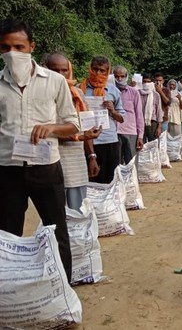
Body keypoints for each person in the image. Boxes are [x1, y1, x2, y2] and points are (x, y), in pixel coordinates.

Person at [0, 19, 79, 281]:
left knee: (56, 230)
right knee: (7, 234)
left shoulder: (54, 81)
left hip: (45, 168)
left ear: (31, 47)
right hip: (7, 170)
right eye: (6, 47)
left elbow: (73, 125)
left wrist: (52, 127)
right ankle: (10, 291)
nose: (13, 53)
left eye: (19, 47)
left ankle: (63, 289)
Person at [45, 52, 102, 209]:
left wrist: (91, 156)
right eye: (55, 71)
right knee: (55, 210)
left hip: (76, 160)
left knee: (78, 208)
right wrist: (79, 137)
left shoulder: (78, 94)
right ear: (45, 70)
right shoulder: (41, 94)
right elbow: (47, 130)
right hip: (52, 158)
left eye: (64, 70)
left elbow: (87, 127)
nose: (61, 75)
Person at [79, 56, 125, 183]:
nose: (98, 73)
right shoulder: (80, 90)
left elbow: (121, 118)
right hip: (88, 142)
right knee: (92, 181)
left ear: (107, 72)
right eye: (95, 69)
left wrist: (112, 110)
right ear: (90, 69)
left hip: (110, 140)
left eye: (102, 70)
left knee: (111, 181)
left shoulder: (113, 90)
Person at [114, 65, 144, 164]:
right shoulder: (109, 91)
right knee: (116, 163)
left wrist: (140, 136)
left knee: (130, 162)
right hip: (114, 132)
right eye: (117, 76)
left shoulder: (134, 93)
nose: (119, 79)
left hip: (130, 131)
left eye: (122, 76)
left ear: (126, 76)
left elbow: (139, 115)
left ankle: (132, 180)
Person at [139, 73, 163, 142]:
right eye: (144, 81)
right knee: (141, 144)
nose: (146, 83)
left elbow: (159, 111)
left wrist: (159, 127)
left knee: (152, 144)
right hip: (140, 122)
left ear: (152, 83)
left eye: (148, 82)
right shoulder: (137, 93)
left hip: (152, 122)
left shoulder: (155, 95)